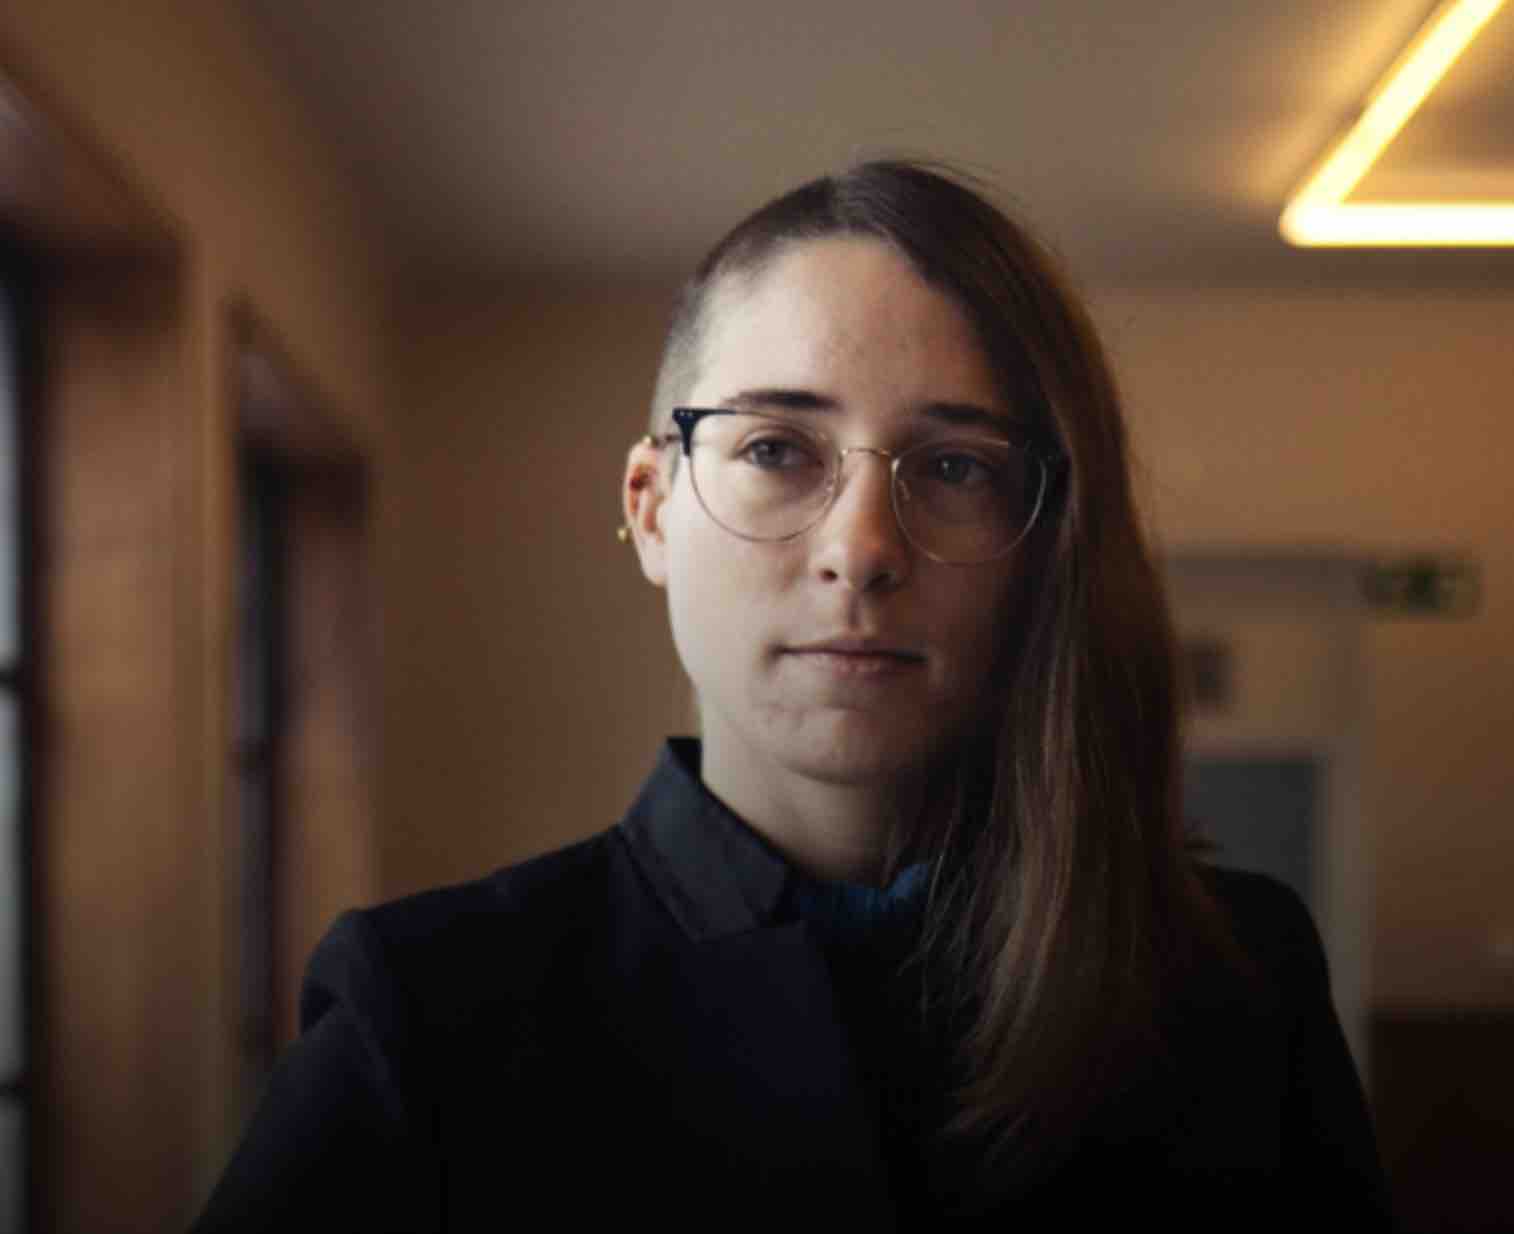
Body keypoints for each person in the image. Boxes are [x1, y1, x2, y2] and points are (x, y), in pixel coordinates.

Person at [193, 162, 1393, 1230]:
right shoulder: (429, 1013)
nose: (860, 549)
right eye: (775, 449)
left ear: (1043, 539)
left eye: (955, 466)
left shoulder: (1234, 984)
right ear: (652, 509)